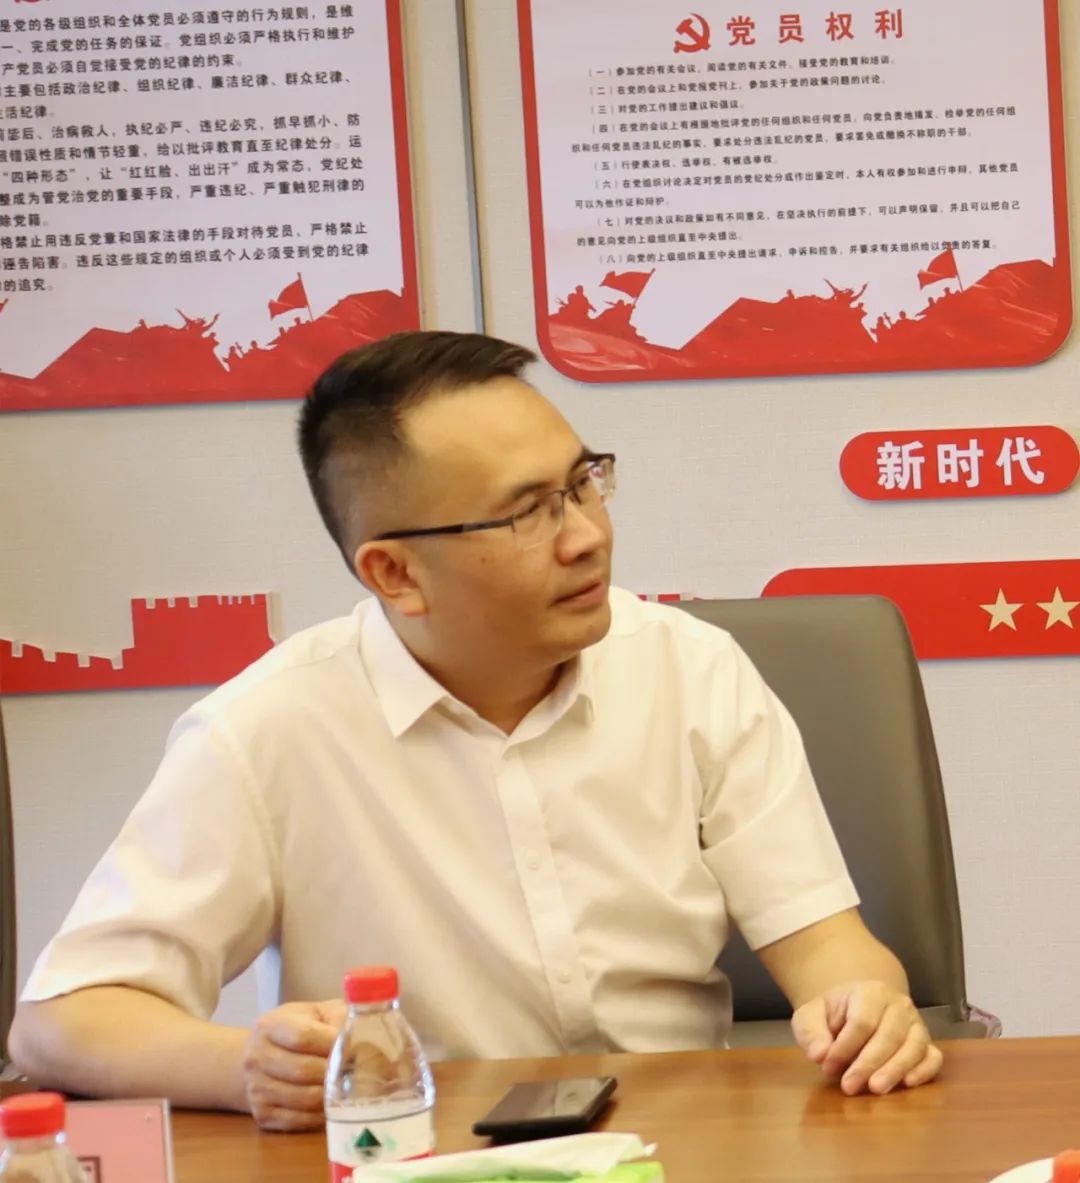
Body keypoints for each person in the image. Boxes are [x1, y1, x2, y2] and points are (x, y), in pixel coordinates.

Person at [9, 331, 942, 1130]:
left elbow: (828, 946)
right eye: (527, 512)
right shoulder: (266, 730)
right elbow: (60, 1020)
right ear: (394, 574)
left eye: (583, 482)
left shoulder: (692, 670)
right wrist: (243, 1065)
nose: (586, 535)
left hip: (680, 1140)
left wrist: (865, 1006)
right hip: (421, 1149)